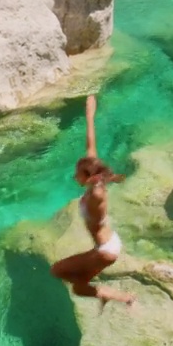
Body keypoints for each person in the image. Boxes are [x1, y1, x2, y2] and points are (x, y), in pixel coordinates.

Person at [50, 95, 135, 308]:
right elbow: (91, 146)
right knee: (79, 288)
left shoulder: (97, 194)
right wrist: (89, 115)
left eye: (77, 174)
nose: (74, 176)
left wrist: (101, 182)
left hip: (105, 250)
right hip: (107, 245)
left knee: (57, 270)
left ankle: (110, 294)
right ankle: (122, 298)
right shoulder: (94, 180)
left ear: (90, 178)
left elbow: (98, 190)